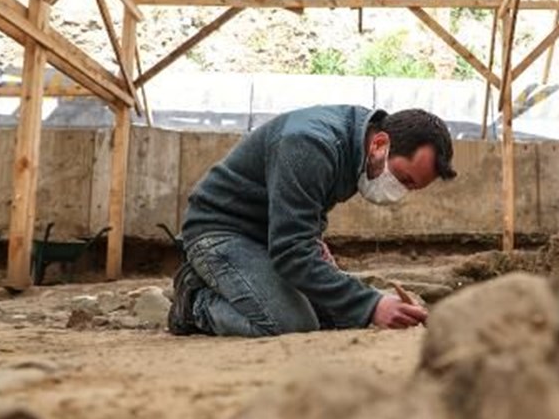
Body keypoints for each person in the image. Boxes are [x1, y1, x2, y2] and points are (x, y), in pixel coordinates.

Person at [167, 105, 457, 337]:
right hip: (219, 232)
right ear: (380, 144)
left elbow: (302, 207)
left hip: (266, 237)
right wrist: (371, 304)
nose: (400, 190)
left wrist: (314, 239)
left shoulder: (356, 144)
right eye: (403, 178)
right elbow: (291, 252)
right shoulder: (309, 144)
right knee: (291, 322)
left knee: (341, 315)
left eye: (411, 187)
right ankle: (195, 303)